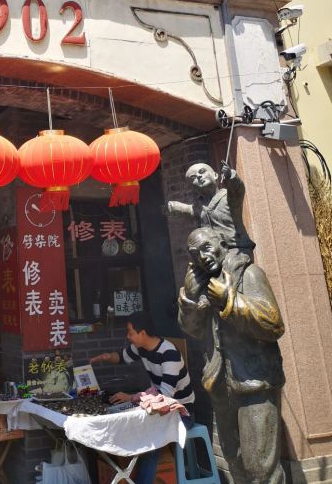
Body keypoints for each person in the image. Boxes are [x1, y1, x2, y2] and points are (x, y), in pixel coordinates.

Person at [178, 227, 285, 484]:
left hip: (255, 382)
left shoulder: (249, 274)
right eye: (195, 253)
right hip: (221, 385)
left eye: (206, 247)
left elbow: (273, 324)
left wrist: (229, 300)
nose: (203, 257)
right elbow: (192, 330)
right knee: (235, 463)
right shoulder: (203, 286)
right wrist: (190, 298)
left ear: (222, 244)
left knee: (260, 469)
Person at [90, 311, 194, 484]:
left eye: (130, 332)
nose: (128, 337)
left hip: (181, 412)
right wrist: (107, 357)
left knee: (151, 444)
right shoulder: (140, 348)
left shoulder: (169, 353)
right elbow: (121, 357)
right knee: (139, 433)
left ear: (143, 333)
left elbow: (165, 396)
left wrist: (132, 398)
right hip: (160, 409)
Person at [167, 162, 255, 255]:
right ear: (192, 187)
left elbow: (237, 189)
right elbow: (187, 209)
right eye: (193, 178)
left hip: (237, 249)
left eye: (202, 172)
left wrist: (230, 175)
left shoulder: (228, 197)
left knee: (228, 264)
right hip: (215, 253)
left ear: (215, 175)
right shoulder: (198, 206)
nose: (199, 176)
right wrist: (173, 206)